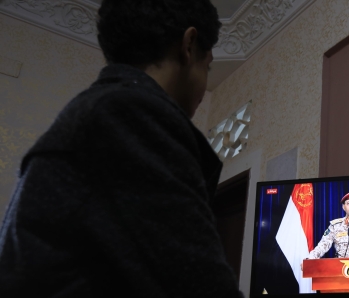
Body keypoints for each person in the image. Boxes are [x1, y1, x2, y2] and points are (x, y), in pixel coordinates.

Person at [0, 1, 243, 297]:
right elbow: (197, 280)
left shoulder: (98, 112)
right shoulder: (133, 115)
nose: (205, 88)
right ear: (189, 45)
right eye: (208, 67)